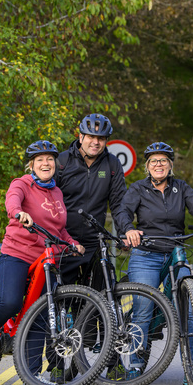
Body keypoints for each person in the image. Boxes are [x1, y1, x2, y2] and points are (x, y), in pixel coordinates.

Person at [115, 142, 193, 383]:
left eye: (163, 160)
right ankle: (134, 365)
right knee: (144, 309)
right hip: (145, 254)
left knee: (187, 312)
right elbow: (123, 212)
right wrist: (129, 229)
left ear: (170, 165)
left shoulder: (181, 188)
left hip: (176, 252)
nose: (159, 164)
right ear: (147, 166)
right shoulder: (138, 189)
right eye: (154, 161)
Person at [0, 141, 85, 385]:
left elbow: (59, 228)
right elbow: (12, 201)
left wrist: (72, 243)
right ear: (32, 165)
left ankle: (31, 373)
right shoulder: (22, 183)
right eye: (40, 160)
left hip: (47, 258)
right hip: (18, 252)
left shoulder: (56, 192)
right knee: (10, 302)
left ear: (56, 164)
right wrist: (18, 213)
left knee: (41, 313)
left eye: (50, 159)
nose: (45, 163)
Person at [55, 113, 126, 290]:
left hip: (95, 242)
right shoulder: (62, 162)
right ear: (81, 137)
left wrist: (125, 231)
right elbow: (45, 199)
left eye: (101, 138)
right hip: (64, 241)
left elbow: (119, 205)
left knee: (102, 297)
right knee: (62, 297)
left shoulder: (112, 164)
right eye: (91, 137)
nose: (96, 142)